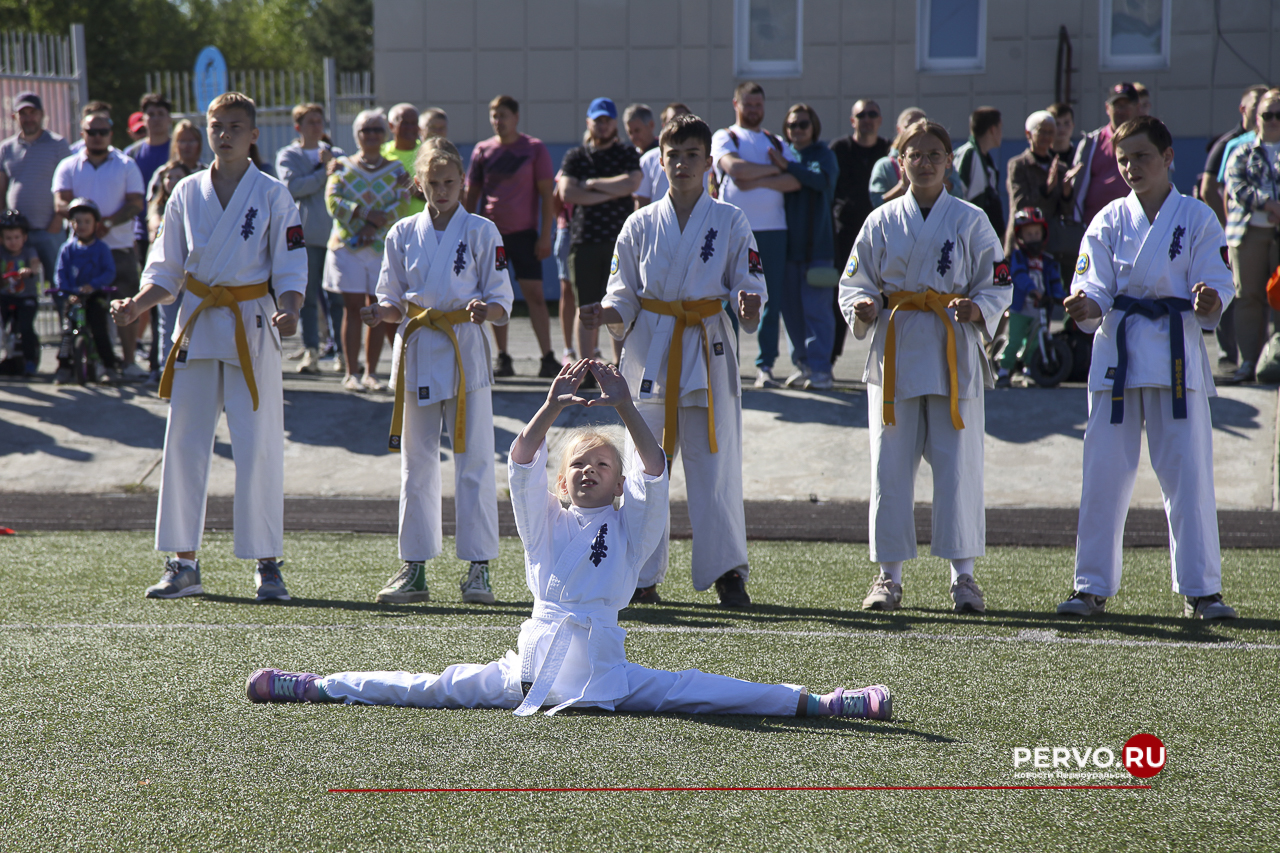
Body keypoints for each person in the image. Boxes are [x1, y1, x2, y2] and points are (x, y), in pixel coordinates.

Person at [245, 357, 894, 723]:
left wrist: (624, 410)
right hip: (530, 665)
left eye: (602, 464)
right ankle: (318, 684)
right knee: (428, 684)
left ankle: (825, 700)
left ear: (617, 485)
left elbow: (655, 468)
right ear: (563, 482)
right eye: (578, 463)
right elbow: (521, 460)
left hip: (607, 669)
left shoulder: (631, 523)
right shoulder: (545, 521)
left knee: (705, 687)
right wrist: (554, 404)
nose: (589, 469)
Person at [109, 92, 308, 602]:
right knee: (184, 443)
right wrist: (138, 305)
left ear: (254, 135)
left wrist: (290, 307)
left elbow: (289, 264)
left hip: (251, 323)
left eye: (235, 127)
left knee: (258, 445)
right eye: (217, 125)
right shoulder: (186, 192)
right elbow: (167, 267)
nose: (224, 134)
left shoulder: (273, 194)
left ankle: (267, 563)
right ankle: (182, 561)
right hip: (197, 323)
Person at [580, 113, 767, 608]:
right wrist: (606, 312)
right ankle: (641, 574)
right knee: (646, 464)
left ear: (709, 162)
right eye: (673, 155)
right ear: (660, 161)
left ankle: (728, 571)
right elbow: (623, 293)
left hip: (706, 345)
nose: (682, 164)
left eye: (691, 155)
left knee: (716, 463)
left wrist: (750, 300)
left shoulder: (730, 219)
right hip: (651, 351)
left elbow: (749, 281)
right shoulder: (639, 223)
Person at [1058, 116, 1237, 620]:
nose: (1131, 167)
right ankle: (1090, 585)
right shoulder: (1108, 219)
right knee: (1103, 475)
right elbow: (1092, 288)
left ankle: (1202, 590)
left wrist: (1207, 302)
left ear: (1168, 157)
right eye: (1122, 159)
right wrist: (1085, 307)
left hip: (1177, 358)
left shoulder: (1198, 217)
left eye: (1141, 156)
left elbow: (1217, 284)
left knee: (1189, 476)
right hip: (1118, 356)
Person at [839, 119, 1011, 615]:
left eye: (936, 153)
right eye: (916, 154)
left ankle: (964, 577)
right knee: (888, 467)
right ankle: (887, 577)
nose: (926, 162)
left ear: (949, 161)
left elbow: (997, 282)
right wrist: (864, 307)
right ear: (901, 161)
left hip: (952, 349)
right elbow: (855, 283)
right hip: (896, 349)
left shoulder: (972, 219)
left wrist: (978, 309)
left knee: (959, 465)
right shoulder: (881, 220)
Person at [361, 136, 512, 606]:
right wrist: (378, 313)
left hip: (465, 351)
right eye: (433, 183)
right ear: (419, 184)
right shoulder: (401, 233)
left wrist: (485, 310)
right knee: (417, 465)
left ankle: (479, 566)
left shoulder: (484, 232)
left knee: (475, 461)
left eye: (449, 182)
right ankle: (415, 567)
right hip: (419, 349)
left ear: (463, 181)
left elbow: (504, 301)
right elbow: (392, 299)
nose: (442, 190)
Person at [710, 82, 800, 388]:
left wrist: (754, 176)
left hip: (774, 229)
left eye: (758, 105)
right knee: (730, 297)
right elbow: (734, 170)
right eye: (748, 105)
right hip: (733, 229)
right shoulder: (725, 136)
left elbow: (794, 180)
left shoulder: (775, 141)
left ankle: (765, 366)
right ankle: (728, 364)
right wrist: (772, 170)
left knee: (768, 299)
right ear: (736, 104)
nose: (754, 111)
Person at [464, 94, 558, 378]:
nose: (498, 121)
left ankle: (548, 357)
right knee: (496, 295)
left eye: (503, 115)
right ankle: (503, 358)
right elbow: (471, 195)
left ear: (516, 117)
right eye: (494, 115)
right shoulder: (482, 150)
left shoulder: (533, 149)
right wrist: (464, 235)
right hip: (493, 239)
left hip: (525, 236)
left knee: (535, 295)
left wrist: (545, 236)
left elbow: (546, 195)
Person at [53, 112, 146, 380]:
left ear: (111, 133)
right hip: (79, 252)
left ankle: (127, 361)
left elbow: (136, 203)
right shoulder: (68, 165)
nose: (96, 137)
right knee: (79, 313)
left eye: (102, 132)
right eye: (91, 132)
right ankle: (70, 363)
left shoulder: (126, 164)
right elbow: (60, 202)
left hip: (119, 247)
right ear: (82, 132)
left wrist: (107, 223)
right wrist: (84, 223)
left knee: (128, 304)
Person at [323, 108, 410, 392]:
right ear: (356, 135)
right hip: (348, 246)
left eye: (376, 129)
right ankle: (351, 372)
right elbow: (333, 201)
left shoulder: (397, 169)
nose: (371, 135)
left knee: (376, 308)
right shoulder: (341, 166)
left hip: (381, 247)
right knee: (352, 308)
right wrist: (364, 214)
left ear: (385, 133)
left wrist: (377, 224)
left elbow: (404, 201)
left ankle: (372, 373)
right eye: (365, 130)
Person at [558, 97, 642, 375]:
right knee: (587, 306)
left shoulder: (626, 153)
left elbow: (632, 182)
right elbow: (568, 192)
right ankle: (586, 370)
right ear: (588, 123)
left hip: (620, 241)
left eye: (607, 120)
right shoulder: (576, 156)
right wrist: (612, 190)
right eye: (598, 121)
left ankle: (621, 367)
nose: (603, 126)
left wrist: (592, 185)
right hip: (584, 242)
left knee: (618, 303)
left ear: (614, 123)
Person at [1203, 86, 1268, 370]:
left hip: (1271, 234)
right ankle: (1232, 357)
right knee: (1239, 294)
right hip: (1240, 232)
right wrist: (1223, 227)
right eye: (1263, 110)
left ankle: (1268, 357)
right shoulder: (1233, 145)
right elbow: (1216, 190)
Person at [276, 103, 344, 375]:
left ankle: (342, 353)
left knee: (337, 299)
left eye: (320, 121)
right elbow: (293, 188)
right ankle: (312, 351)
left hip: (335, 239)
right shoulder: (288, 156)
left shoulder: (337, 154)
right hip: (305, 237)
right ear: (298, 127)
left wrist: (330, 166)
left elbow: (345, 186)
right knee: (306, 297)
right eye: (310, 121)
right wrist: (323, 172)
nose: (317, 126)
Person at [776, 102, 839, 390]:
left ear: (813, 126)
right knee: (792, 314)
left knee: (818, 312)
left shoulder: (823, 154)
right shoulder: (783, 153)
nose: (797, 129)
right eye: (792, 125)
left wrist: (787, 167)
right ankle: (803, 365)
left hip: (818, 250)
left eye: (803, 124)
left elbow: (821, 180)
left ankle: (821, 370)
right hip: (788, 249)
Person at [1222, 88, 1280, 385]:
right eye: (1267, 115)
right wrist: (1268, 204)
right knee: (1248, 297)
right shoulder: (1241, 151)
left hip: (1278, 234)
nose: (1272, 120)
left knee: (1279, 299)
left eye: (1278, 115)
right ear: (1256, 118)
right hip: (1248, 234)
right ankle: (1247, 362)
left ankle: (1275, 361)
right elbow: (1236, 187)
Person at [829, 99, 891, 365]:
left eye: (872, 114)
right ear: (852, 120)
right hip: (846, 233)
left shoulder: (889, 151)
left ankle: (889, 355)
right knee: (842, 294)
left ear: (880, 119)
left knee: (888, 293)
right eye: (861, 114)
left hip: (884, 234)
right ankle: (829, 359)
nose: (867, 118)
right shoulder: (839, 149)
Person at [144, 120, 206, 383]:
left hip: (197, 262)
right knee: (165, 318)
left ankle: (196, 370)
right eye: (181, 140)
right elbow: (152, 213)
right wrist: (158, 228)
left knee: (198, 321)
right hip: (169, 259)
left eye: (192, 140)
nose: (186, 145)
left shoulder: (207, 174)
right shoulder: (162, 174)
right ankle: (163, 369)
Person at [0, 91, 70, 293]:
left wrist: (56, 223)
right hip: (16, 235)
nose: (28, 118)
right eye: (23, 113)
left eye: (33, 112)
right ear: (14, 117)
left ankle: (68, 323)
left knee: (59, 284)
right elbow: (2, 189)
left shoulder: (58, 145)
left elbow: (67, 188)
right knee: (15, 288)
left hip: (50, 230)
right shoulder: (6, 148)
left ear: (42, 115)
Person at [996, 207, 1065, 387]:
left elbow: (1055, 281)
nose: (1033, 237)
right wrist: (1032, 290)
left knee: (1036, 340)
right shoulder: (1018, 258)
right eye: (1029, 234)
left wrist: (1061, 297)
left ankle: (1029, 370)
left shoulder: (1048, 261)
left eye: (1036, 233)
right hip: (1021, 308)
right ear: (1020, 237)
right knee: (1016, 340)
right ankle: (1003, 371)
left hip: (1041, 309)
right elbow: (1019, 276)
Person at [53, 199, 117, 382]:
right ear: (71, 223)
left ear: (96, 224)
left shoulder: (102, 248)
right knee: (67, 332)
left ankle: (107, 366)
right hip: (73, 297)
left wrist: (94, 285)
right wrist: (67, 291)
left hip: (94, 296)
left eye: (87, 221)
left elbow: (109, 271)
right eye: (77, 221)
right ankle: (64, 367)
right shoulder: (67, 249)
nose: (82, 226)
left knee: (98, 328)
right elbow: (60, 273)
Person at [1004, 111, 1078, 256]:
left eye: (1050, 132)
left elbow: (1066, 212)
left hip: (1050, 246)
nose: (1046, 136)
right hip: (1021, 244)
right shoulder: (1019, 165)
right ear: (1028, 134)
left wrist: (1067, 193)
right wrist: (1046, 189)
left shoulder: (1060, 168)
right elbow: (1020, 204)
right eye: (1041, 131)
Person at [1072, 83, 1138, 230]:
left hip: (1134, 229)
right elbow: (1077, 192)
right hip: (1096, 230)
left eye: (1126, 105)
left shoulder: (1144, 143)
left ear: (1136, 107)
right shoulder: (1091, 143)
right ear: (1107, 108)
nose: (1121, 111)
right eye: (1117, 106)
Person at [0, 210, 43, 376]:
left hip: (25, 297)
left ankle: (30, 361)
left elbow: (35, 264)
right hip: (5, 296)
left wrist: (29, 270)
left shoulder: (28, 251)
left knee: (26, 328)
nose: (13, 242)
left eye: (17, 237)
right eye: (8, 238)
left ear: (24, 237)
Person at [953, 107, 1006, 237]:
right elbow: (957, 194)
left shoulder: (987, 159)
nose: (1001, 133)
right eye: (1000, 128)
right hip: (968, 234)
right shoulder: (968, 154)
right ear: (993, 129)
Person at [634, 102, 691, 208]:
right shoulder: (649, 159)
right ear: (664, 126)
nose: (680, 126)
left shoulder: (703, 157)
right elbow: (642, 202)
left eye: (685, 121)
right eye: (673, 120)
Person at [868, 107, 927, 209]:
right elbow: (877, 203)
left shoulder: (936, 162)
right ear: (899, 129)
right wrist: (902, 186)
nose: (915, 132)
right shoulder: (885, 166)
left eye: (920, 126)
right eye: (908, 127)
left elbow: (958, 193)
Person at [382, 102, 425, 216]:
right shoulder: (381, 153)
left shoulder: (428, 152)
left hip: (422, 226)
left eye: (414, 123)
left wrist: (414, 189)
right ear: (391, 126)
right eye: (405, 123)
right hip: (386, 226)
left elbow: (444, 193)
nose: (410, 128)